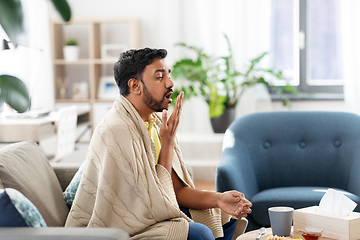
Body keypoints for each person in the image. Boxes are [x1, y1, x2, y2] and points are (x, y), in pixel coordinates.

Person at [65, 48, 252, 240]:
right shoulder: (116, 130)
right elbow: (144, 207)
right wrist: (168, 143)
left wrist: (220, 199)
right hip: (130, 224)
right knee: (200, 233)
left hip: (157, 210)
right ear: (135, 85)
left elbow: (177, 191)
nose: (170, 83)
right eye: (159, 77)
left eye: (168, 75)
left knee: (224, 217)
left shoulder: (155, 122)